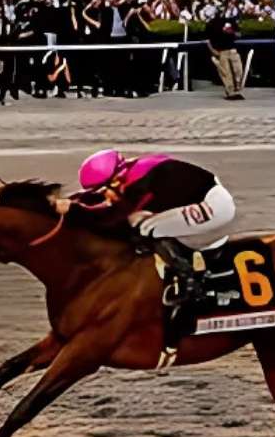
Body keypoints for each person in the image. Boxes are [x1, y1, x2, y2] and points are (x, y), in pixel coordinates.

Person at [73, 149, 238, 364]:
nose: (105, 194)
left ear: (117, 178)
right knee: (141, 221)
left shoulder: (141, 182)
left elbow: (114, 216)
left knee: (146, 228)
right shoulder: (130, 172)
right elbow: (100, 199)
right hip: (202, 193)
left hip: (214, 207)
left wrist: (74, 209)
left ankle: (189, 280)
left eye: (106, 189)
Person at [204, 10, 245, 100]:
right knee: (225, 73)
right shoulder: (210, 24)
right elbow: (207, 40)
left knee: (238, 70)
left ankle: (237, 89)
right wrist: (213, 51)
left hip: (232, 50)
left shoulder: (231, 21)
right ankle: (230, 92)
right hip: (221, 51)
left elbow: (239, 34)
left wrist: (231, 32)